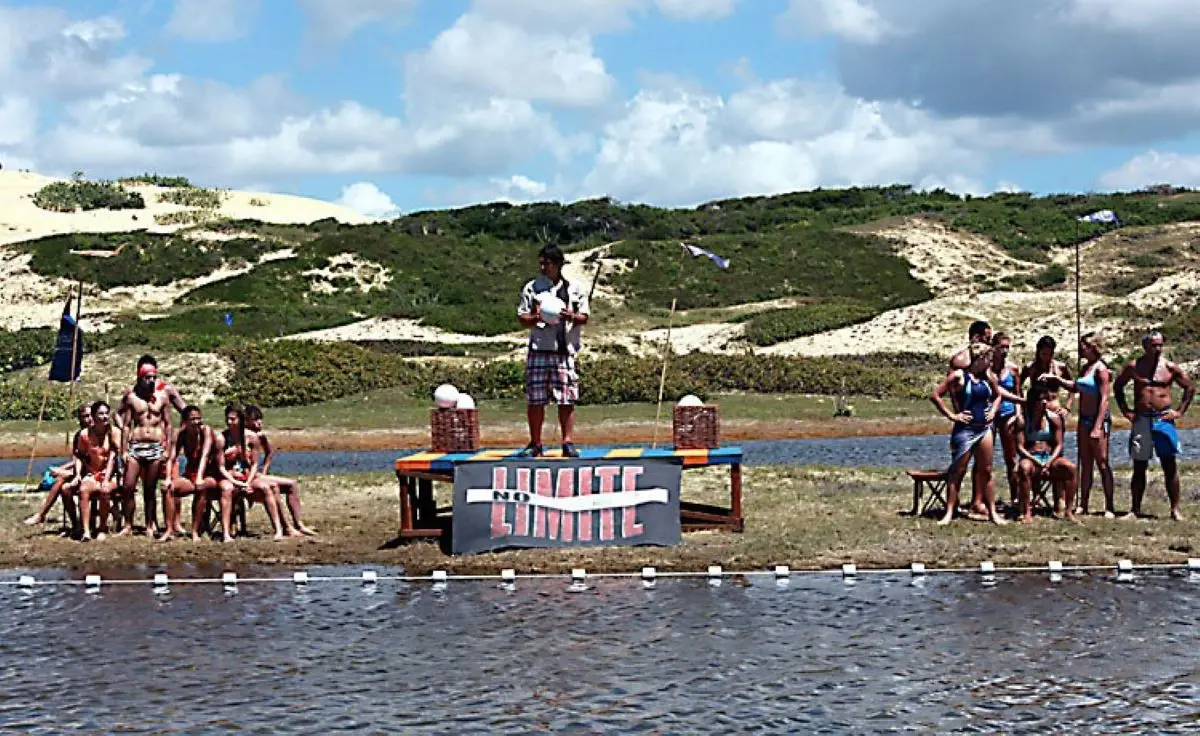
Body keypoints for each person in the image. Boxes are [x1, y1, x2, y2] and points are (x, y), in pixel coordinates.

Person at [516, 244, 590, 458]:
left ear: (557, 264)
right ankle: (535, 443)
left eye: (546, 263)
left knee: (566, 397)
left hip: (564, 350)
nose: (542, 267)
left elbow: (584, 316)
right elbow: (522, 318)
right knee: (535, 398)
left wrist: (570, 316)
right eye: (540, 263)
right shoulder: (532, 287)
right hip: (539, 348)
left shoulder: (574, 288)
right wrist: (537, 317)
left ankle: (567, 441)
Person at [1113, 331, 1194, 521]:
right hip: (1141, 418)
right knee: (1139, 464)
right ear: (1145, 346)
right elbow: (1118, 386)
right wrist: (1126, 410)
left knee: (1169, 465)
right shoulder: (1134, 366)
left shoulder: (1169, 367)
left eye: (1160, 345)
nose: (1157, 349)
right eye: (1154, 345)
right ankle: (1135, 509)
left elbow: (1189, 387)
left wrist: (1179, 411)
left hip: (1163, 419)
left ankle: (1175, 509)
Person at [1040, 332, 1115, 517]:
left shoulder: (1101, 369)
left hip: (1098, 420)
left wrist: (1098, 427)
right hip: (1084, 419)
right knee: (1085, 462)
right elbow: (1075, 386)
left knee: (1102, 462)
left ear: (1094, 347)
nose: (1082, 349)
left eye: (1086, 346)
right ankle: (1083, 504)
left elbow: (1105, 399)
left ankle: (1109, 506)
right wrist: (1057, 380)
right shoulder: (1085, 368)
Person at [931, 342, 1005, 525]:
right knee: (958, 471)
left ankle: (993, 513)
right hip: (965, 430)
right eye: (987, 358)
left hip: (984, 428)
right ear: (978, 358)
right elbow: (935, 395)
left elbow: (998, 395)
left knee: (986, 470)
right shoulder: (959, 376)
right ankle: (949, 512)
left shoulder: (988, 377)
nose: (989, 362)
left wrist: (994, 409)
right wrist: (952, 415)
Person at [116, 361, 173, 535]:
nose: (151, 380)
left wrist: (167, 448)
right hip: (136, 446)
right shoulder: (132, 397)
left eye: (154, 377)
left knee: (150, 487)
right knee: (128, 486)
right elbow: (126, 425)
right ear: (140, 378)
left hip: (155, 446)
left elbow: (169, 425)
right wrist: (123, 450)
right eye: (148, 377)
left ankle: (150, 523)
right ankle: (128, 524)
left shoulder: (162, 396)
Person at [1013, 381, 1078, 524]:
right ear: (1032, 401)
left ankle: (1068, 511)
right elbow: (1020, 447)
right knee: (1024, 468)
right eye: (1040, 399)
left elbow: (1059, 444)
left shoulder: (1054, 419)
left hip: (1050, 458)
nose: (1043, 402)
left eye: (1046, 399)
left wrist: (1049, 462)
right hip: (1031, 458)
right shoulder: (1023, 419)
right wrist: (1036, 461)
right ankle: (1027, 512)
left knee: (1070, 468)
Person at [245, 405, 315, 536]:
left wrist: (264, 470)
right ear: (246, 421)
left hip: (257, 474)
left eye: (260, 419)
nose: (259, 422)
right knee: (274, 487)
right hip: (248, 476)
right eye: (255, 420)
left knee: (292, 484)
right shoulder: (244, 436)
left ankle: (299, 524)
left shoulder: (260, 436)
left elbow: (269, 453)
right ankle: (286, 526)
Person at [219, 404, 284, 541]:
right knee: (227, 489)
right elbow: (220, 466)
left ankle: (278, 529)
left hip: (247, 476)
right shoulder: (222, 438)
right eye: (228, 419)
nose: (229, 422)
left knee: (266, 488)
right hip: (230, 476)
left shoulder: (252, 438)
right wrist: (235, 480)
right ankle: (226, 533)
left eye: (233, 419)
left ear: (241, 420)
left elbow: (254, 464)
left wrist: (248, 482)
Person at [23, 404, 91, 532]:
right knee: (62, 484)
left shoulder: (98, 434)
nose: (88, 419)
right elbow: (77, 459)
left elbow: (91, 460)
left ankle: (41, 515)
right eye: (84, 417)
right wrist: (64, 468)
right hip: (81, 471)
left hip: (92, 473)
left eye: (89, 416)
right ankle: (75, 524)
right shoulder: (79, 436)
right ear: (80, 419)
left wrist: (67, 471)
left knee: (60, 479)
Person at [159, 405, 218, 542]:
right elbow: (171, 458)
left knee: (201, 487)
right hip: (191, 472)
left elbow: (205, 454)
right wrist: (168, 478)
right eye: (192, 419)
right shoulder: (181, 434)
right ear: (185, 421)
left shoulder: (206, 431)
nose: (196, 422)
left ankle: (195, 531)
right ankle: (169, 529)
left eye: (198, 418)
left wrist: (199, 477)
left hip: (209, 472)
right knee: (169, 489)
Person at [990, 333, 1025, 507]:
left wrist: (1018, 414)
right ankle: (984, 497)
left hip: (1008, 414)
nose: (1004, 351)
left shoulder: (1012, 369)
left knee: (1011, 457)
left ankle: (1016, 496)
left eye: (1007, 347)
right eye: (1001, 347)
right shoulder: (987, 369)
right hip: (990, 415)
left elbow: (1018, 393)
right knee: (986, 457)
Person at [77, 401, 121, 542]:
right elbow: (81, 455)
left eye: (106, 414)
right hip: (93, 473)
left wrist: (106, 479)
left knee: (105, 491)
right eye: (100, 414)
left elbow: (113, 458)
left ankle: (103, 528)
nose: (104, 417)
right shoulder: (85, 434)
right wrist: (82, 473)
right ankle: (86, 531)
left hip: (111, 474)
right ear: (94, 416)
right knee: (83, 489)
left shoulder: (114, 433)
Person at [1019, 336, 1073, 418]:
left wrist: (1067, 407)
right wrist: (1022, 404)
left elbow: (1073, 387)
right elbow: (1017, 386)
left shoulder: (1060, 367)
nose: (1047, 357)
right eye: (1044, 354)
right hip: (1034, 409)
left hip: (1055, 408)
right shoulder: (1030, 367)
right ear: (1038, 351)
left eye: (1050, 354)